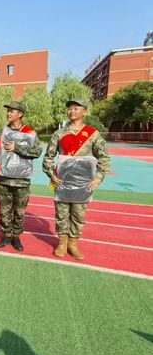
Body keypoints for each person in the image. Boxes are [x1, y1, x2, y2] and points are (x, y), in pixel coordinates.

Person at [42, 99, 110, 260]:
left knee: (79, 215)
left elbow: (104, 157)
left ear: (84, 111)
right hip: (62, 181)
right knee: (62, 214)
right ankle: (62, 243)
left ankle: (73, 244)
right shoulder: (59, 134)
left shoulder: (92, 134)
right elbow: (48, 157)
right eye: (69, 109)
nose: (71, 111)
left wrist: (99, 177)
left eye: (75, 108)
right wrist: (52, 174)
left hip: (84, 183)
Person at [0, 101, 42, 252]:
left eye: (12, 111)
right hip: (4, 178)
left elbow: (37, 152)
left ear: (20, 114)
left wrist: (17, 147)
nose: (8, 113)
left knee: (19, 211)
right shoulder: (2, 131)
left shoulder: (29, 132)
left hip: (22, 180)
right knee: (4, 210)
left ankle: (16, 236)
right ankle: (6, 235)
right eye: (8, 111)